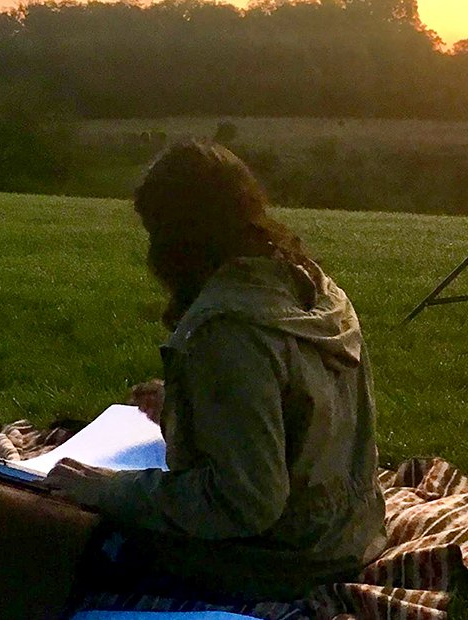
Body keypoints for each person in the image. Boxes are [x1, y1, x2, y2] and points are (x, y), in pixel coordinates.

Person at [42, 139, 388, 602]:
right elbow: (295, 416)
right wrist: (186, 407)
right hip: (354, 530)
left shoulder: (226, 329)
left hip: (283, 560)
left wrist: (115, 491)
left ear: (177, 237)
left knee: (50, 527)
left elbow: (245, 504)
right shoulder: (311, 284)